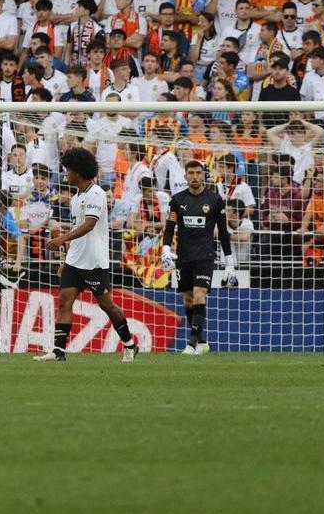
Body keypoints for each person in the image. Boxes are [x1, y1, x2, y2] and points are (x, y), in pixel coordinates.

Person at [36, 147, 139, 362]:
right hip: (75, 260)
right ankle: (58, 351)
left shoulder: (96, 194)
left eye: (68, 169)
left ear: (79, 171)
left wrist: (62, 239)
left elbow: (89, 225)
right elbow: (78, 229)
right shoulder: (77, 197)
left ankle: (130, 344)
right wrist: (67, 259)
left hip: (94, 262)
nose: (65, 173)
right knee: (65, 301)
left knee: (106, 304)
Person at [160, 160, 234, 355]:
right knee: (188, 300)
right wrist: (166, 249)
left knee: (200, 293)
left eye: (198, 173)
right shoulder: (176, 200)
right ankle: (201, 341)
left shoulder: (215, 200)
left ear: (203, 175)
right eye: (191, 173)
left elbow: (224, 232)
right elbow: (169, 227)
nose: (194, 176)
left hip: (205, 255)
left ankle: (192, 343)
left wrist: (230, 262)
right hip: (183, 256)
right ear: (185, 176)